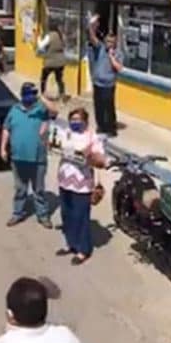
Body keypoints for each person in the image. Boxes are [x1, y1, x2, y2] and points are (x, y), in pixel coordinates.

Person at [1, 83, 57, 228]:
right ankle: (17, 213)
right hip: (18, 157)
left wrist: (41, 98)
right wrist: (3, 148)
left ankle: (43, 215)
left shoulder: (41, 109)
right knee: (20, 188)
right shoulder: (14, 110)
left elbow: (54, 111)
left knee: (39, 189)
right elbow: (6, 129)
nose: (30, 97)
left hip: (38, 158)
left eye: (32, 93)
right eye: (27, 94)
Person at [56, 107, 107, 265]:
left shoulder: (92, 137)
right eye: (72, 119)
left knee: (80, 217)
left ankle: (83, 249)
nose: (75, 122)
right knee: (67, 215)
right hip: (65, 182)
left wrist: (89, 156)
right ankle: (71, 244)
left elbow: (101, 161)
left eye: (78, 120)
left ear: (85, 121)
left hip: (82, 184)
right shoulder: (66, 133)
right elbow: (56, 145)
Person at [86, 16, 122, 137]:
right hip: (98, 83)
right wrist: (91, 26)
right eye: (107, 41)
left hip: (109, 85)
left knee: (109, 107)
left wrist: (112, 56)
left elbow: (118, 68)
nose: (109, 44)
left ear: (115, 43)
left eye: (112, 42)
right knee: (98, 106)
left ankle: (111, 128)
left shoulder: (118, 53)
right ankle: (101, 126)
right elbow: (92, 38)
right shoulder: (100, 48)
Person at [37, 24, 66, 99]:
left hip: (50, 62)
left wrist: (38, 38)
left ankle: (43, 94)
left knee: (44, 78)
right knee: (59, 79)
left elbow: (41, 46)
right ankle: (62, 94)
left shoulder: (49, 36)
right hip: (60, 62)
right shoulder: (61, 36)